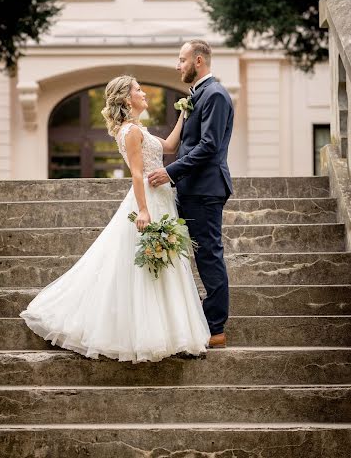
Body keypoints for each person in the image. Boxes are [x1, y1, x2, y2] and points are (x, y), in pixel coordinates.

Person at [19, 74, 210, 363]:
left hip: (162, 197)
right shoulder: (130, 132)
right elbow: (136, 173)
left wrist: (183, 112)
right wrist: (144, 210)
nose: (144, 93)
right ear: (125, 98)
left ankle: (171, 333)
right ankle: (149, 334)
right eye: (138, 90)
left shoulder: (138, 129)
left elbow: (170, 146)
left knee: (165, 262)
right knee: (148, 264)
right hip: (149, 199)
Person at [148, 39, 234, 348]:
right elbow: (180, 143)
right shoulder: (197, 96)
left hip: (205, 190)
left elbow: (209, 146)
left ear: (198, 61)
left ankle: (215, 327)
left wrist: (170, 172)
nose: (177, 65)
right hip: (189, 189)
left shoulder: (216, 95)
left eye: (182, 59)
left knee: (208, 255)